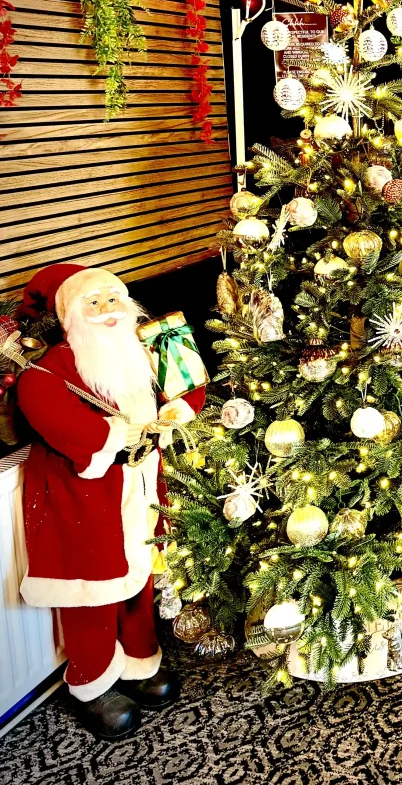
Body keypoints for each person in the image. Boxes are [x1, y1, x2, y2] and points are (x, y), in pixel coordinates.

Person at [15, 264, 205, 739]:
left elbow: (186, 381)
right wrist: (114, 438)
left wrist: (181, 407)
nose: (105, 311)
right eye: (92, 303)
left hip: (142, 486)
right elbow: (42, 403)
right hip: (85, 495)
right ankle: (92, 682)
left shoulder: (142, 347)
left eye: (112, 300)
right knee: (92, 591)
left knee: (141, 577)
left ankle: (140, 663)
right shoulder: (50, 368)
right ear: (69, 316)